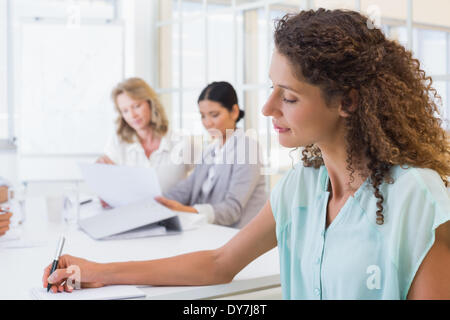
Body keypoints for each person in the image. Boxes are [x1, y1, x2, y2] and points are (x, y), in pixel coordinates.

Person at [42, 9, 449, 299]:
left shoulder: (417, 197)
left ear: (347, 101)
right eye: (271, 88)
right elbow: (219, 262)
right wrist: (97, 272)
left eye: (288, 96)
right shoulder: (300, 190)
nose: (267, 107)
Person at [155, 81, 267, 228]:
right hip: (210, 233)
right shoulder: (210, 150)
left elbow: (232, 209)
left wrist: (187, 210)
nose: (207, 123)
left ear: (234, 112)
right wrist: (159, 202)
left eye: (214, 115)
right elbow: (188, 187)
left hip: (237, 236)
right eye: (203, 116)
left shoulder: (248, 148)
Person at [97, 77, 195, 197]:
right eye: (125, 111)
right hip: (132, 213)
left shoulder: (182, 141)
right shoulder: (117, 143)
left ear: (150, 103)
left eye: (136, 106)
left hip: (174, 213)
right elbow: (107, 187)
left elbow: (208, 178)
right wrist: (101, 175)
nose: (132, 115)